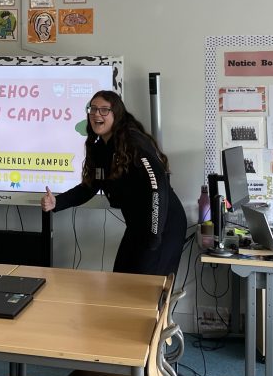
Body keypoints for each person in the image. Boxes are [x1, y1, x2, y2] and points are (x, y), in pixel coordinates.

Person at [40, 91, 186, 276]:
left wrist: (155, 235)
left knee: (146, 292)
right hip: (137, 226)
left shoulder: (134, 142)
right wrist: (57, 202)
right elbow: (90, 187)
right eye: (92, 109)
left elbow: (158, 188)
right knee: (120, 281)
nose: (96, 114)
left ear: (116, 113)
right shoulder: (101, 147)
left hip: (163, 224)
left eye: (104, 110)